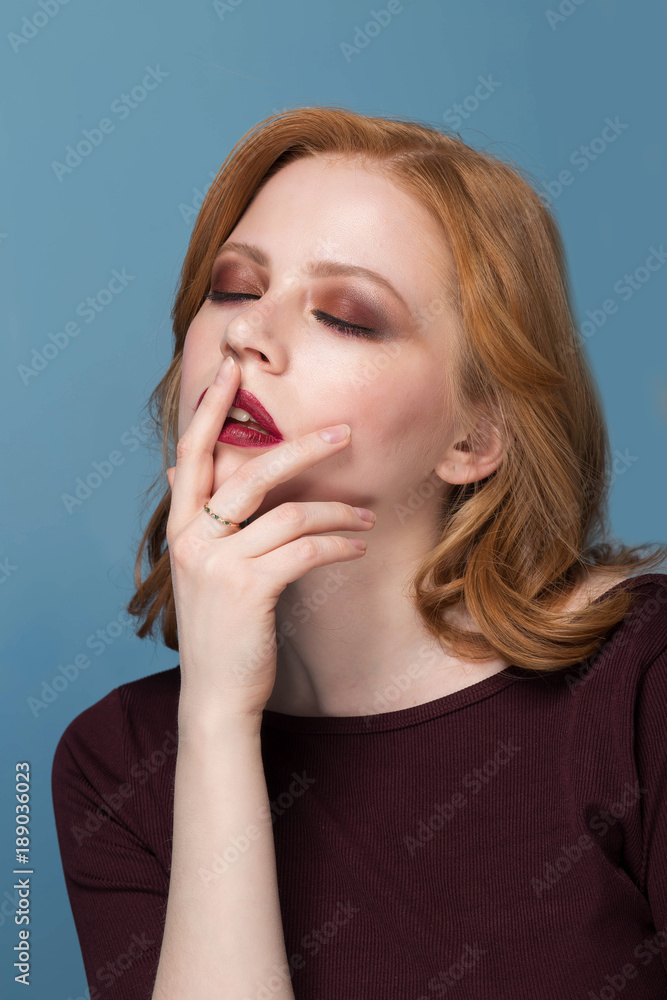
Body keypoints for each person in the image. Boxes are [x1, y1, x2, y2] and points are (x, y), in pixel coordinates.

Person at [52, 105, 667, 1000]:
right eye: (231, 288)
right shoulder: (118, 761)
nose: (245, 334)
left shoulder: (641, 682)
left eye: (345, 315)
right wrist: (219, 720)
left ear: (474, 436)